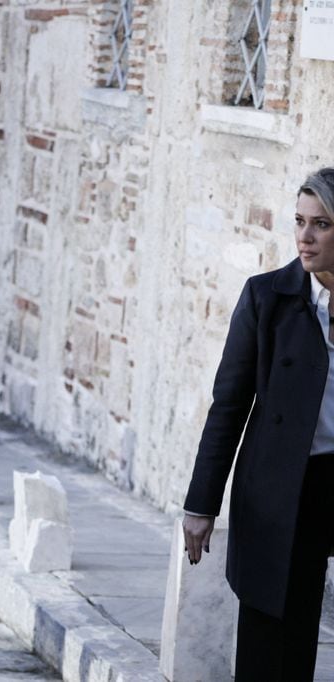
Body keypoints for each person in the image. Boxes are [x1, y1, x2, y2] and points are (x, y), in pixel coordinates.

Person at [182, 167, 334, 680]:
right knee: (271, 641)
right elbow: (228, 406)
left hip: (331, 483)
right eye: (299, 221)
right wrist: (201, 503)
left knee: (307, 629)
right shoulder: (266, 298)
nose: (305, 237)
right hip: (278, 488)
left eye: (322, 224)